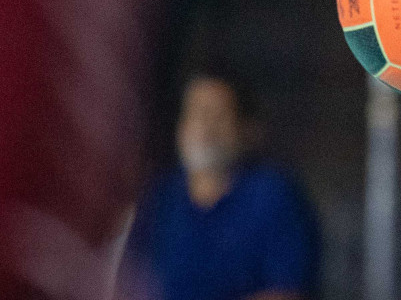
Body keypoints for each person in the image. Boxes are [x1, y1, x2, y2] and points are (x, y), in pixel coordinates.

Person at [119, 73, 319, 300]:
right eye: (195, 113)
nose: (204, 128)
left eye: (218, 116)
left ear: (248, 129)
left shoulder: (274, 196)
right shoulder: (160, 197)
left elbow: (287, 291)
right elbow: (127, 283)